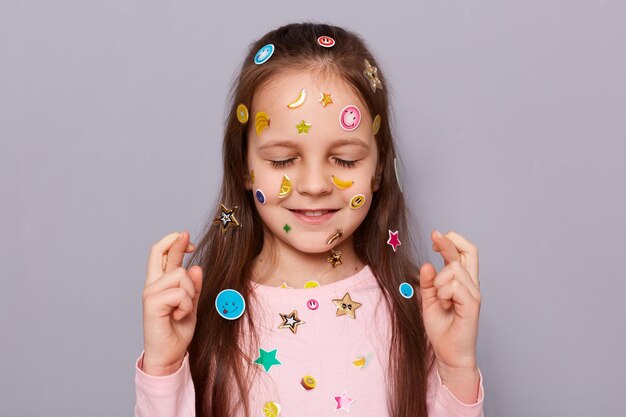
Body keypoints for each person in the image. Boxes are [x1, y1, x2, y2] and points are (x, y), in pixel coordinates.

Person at [135, 22, 484, 417]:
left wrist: (456, 368)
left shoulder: (417, 313)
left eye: (345, 160)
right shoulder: (204, 316)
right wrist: (163, 368)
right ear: (244, 167)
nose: (316, 185)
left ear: (379, 169)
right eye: (283, 160)